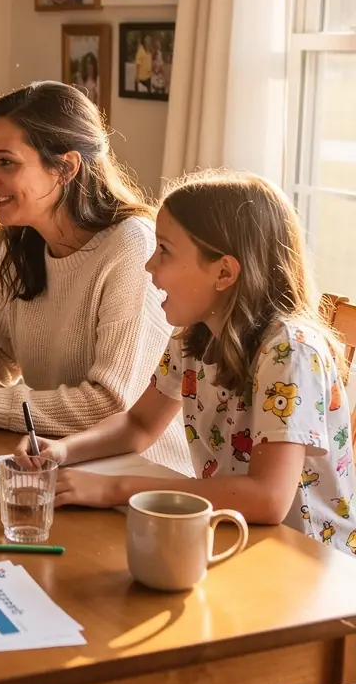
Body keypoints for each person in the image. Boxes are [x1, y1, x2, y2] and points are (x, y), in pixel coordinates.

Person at [19, 171, 355, 555]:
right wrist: (63, 451)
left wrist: (116, 488)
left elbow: (268, 498)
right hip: (234, 537)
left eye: (164, 250)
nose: (149, 266)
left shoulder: (291, 351)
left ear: (224, 272)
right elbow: (139, 423)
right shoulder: (194, 339)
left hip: (308, 562)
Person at [0, 81, 190, 475]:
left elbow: (111, 403)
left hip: (138, 479)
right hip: (49, 463)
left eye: (6, 162)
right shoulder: (18, 240)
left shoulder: (131, 247)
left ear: (66, 167)